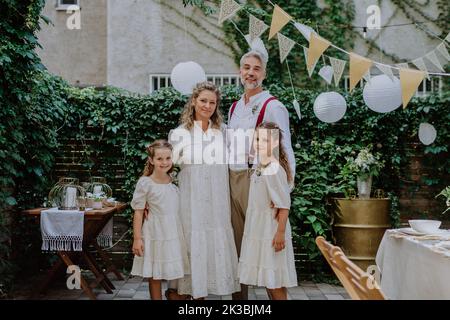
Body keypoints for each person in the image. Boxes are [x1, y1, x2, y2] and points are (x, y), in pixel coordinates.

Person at [227, 50, 296, 300]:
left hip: (258, 182)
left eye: (256, 68)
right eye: (246, 67)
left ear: (264, 73)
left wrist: (282, 194)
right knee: (236, 249)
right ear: (240, 71)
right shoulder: (234, 107)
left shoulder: (273, 105)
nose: (251, 72)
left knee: (266, 249)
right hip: (231, 180)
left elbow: (285, 147)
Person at [167, 81, 240, 300]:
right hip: (192, 197)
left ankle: (205, 291)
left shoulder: (224, 132)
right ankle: (191, 294)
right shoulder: (180, 133)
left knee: (215, 237)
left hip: (217, 197)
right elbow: (169, 168)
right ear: (193, 101)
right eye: (203, 101)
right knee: (193, 239)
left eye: (212, 102)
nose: (207, 106)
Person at [238, 121, 298, 300]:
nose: (258, 143)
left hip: (272, 231)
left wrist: (280, 233)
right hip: (260, 229)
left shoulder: (273, 169)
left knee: (275, 280)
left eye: (264, 140)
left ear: (274, 143)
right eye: (257, 139)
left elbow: (284, 205)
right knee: (268, 277)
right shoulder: (260, 167)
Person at [130, 139, 189, 300]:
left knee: (175, 267)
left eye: (168, 158)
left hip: (174, 231)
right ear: (151, 160)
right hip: (154, 232)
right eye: (159, 159)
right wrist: (137, 239)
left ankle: (175, 294)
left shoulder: (175, 180)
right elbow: (138, 212)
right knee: (155, 274)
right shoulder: (145, 183)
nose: (164, 162)